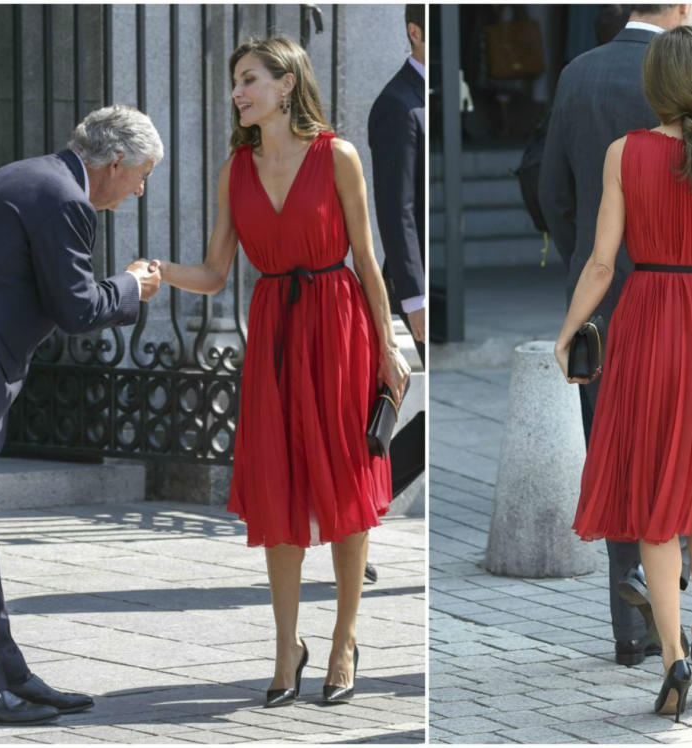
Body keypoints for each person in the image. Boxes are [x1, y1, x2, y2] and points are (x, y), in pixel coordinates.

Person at [152, 36, 409, 707]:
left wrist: (387, 344)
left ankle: (343, 639)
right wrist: (157, 272)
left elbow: (368, 260)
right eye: (235, 82)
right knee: (279, 489)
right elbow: (213, 274)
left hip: (338, 326)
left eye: (249, 79)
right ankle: (284, 646)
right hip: (274, 335)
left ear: (287, 83)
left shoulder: (338, 156)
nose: (237, 93)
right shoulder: (235, 168)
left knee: (345, 485)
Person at [554, 27, 692, 720]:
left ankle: (674, 649)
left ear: (656, 82)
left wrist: (567, 334)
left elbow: (599, 262)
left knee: (656, 500)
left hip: (648, 324)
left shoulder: (627, 154)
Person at [0, 105, 164, 725]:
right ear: (116, 163)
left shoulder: (24, 176)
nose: (141, 189)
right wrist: (131, 285)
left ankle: (4, 673)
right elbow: (74, 309)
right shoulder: (65, 197)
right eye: (142, 174)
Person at [539, 3, 692, 669]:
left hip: (603, 303)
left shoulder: (578, 72)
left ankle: (629, 634)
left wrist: (589, 262)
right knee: (684, 452)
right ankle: (673, 592)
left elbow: (553, 192)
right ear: (684, 6)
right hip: (685, 295)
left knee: (616, 460)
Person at [368, 3, 426, 517]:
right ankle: (362, 508)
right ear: (414, 32)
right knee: (389, 411)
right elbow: (396, 210)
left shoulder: (424, 95)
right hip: (414, 286)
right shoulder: (397, 104)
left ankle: (365, 507)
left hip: (429, 281)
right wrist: (417, 297)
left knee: (423, 422)